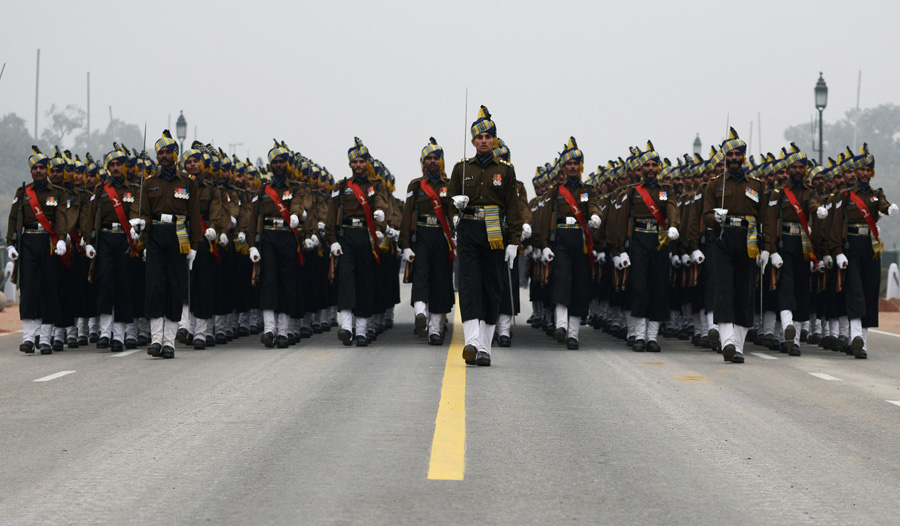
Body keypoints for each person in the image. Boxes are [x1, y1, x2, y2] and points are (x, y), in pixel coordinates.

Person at [447, 106, 523, 366]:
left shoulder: (505, 170)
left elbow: (512, 207)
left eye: (488, 137)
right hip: (469, 228)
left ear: (495, 140)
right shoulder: (461, 169)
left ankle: (485, 348)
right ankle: (471, 341)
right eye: (479, 138)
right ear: (472, 141)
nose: (484, 141)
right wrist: (456, 206)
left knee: (492, 286)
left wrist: (514, 241)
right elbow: (449, 203)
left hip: (494, 230)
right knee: (469, 285)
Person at [701, 128, 771, 363]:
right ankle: (727, 340)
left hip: (749, 241)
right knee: (724, 289)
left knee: (745, 292)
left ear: (743, 156)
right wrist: (716, 218)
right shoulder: (714, 185)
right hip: (723, 239)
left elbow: (765, 219)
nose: (733, 159)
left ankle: (738, 346)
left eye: (737, 155)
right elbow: (706, 217)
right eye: (729, 155)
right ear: (724, 158)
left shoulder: (757, 185)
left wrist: (768, 249)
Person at [824, 143, 898, 359]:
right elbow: (836, 225)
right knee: (854, 290)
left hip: (872, 248)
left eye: (868, 170)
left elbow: (882, 204)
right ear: (855, 172)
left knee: (869, 292)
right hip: (851, 247)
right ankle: (855, 335)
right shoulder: (845, 196)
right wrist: (837, 251)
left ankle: (862, 341)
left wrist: (889, 208)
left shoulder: (877, 194)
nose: (865, 174)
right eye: (862, 170)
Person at [611, 141, 680, 352]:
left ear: (658, 168)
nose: (650, 169)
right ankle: (639, 335)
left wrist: (674, 226)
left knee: (658, 289)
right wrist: (619, 248)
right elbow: (622, 220)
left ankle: (652, 337)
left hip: (659, 242)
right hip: (639, 241)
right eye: (647, 165)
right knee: (639, 288)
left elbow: (672, 209)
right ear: (641, 169)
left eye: (653, 165)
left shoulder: (666, 190)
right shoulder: (633, 192)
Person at [533, 137, 601, 349]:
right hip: (560, 241)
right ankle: (561, 326)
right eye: (568, 164)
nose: (572, 167)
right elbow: (544, 219)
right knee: (561, 282)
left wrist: (596, 216)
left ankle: (573, 334)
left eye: (575, 163)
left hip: (580, 242)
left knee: (580, 286)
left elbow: (594, 206)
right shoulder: (555, 191)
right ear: (563, 168)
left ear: (580, 166)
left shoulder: (587, 190)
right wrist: (543, 245)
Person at [139, 130, 202, 359]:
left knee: (176, 287)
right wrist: (141, 224)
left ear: (176, 154)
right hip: (156, 236)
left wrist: (195, 245)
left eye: (168, 152)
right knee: (155, 287)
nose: (163, 156)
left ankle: (169, 342)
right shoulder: (149, 182)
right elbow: (146, 213)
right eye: (160, 152)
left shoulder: (188, 182)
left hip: (179, 237)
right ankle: (156, 339)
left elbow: (194, 215)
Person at [6, 146, 75, 354]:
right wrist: (10, 243)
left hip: (49, 244)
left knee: (49, 290)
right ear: (31, 171)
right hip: (27, 244)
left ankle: (45, 338)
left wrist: (62, 239)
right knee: (28, 290)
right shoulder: (22, 193)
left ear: (47, 170)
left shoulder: (59, 194)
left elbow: (62, 217)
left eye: (41, 168)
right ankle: (28, 337)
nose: (38, 171)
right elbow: (13, 219)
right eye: (34, 168)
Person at [324, 138, 389, 347]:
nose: (359, 165)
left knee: (365, 283)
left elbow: (381, 204)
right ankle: (346, 329)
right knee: (346, 282)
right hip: (346, 239)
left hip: (366, 238)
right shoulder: (341, 187)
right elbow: (330, 215)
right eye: (355, 162)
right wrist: (332, 241)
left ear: (367, 163)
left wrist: (380, 220)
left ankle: (361, 331)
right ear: (350, 164)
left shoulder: (376, 186)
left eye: (362, 162)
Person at [245, 141, 309, 348]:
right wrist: (251, 245)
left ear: (288, 165)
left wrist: (297, 216)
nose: (279, 165)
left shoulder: (297, 189)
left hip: (288, 238)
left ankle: (283, 331)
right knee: (269, 282)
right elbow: (252, 218)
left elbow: (299, 205)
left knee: (287, 284)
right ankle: (269, 329)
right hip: (268, 239)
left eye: (282, 162)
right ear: (271, 166)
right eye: (275, 162)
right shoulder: (263, 190)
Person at [82, 146, 141, 352]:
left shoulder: (133, 189)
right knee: (105, 284)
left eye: (118, 165)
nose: (115, 168)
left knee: (123, 286)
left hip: (124, 239)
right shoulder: (100, 190)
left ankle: (119, 334)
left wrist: (134, 229)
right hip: (104, 240)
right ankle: (105, 332)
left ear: (125, 167)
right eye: (112, 165)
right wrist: (88, 241)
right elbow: (90, 218)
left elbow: (135, 211)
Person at [399, 138, 456, 345]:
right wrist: (405, 244)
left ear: (441, 162)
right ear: (423, 162)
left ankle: (435, 330)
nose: (432, 162)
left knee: (441, 282)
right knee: (421, 276)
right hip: (422, 235)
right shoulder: (415, 185)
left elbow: (453, 213)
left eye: (436, 158)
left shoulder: (450, 185)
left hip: (442, 238)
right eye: (428, 158)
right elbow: (407, 215)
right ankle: (421, 315)